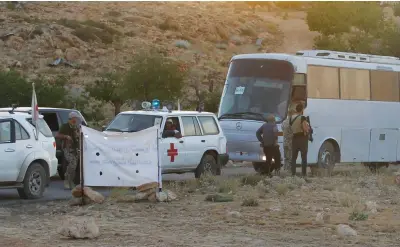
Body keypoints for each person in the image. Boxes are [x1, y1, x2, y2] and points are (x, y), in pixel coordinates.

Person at [56, 112, 81, 189]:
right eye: (75, 118)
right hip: (68, 148)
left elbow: (78, 137)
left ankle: (71, 181)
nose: (76, 120)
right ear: (72, 118)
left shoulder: (76, 127)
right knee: (72, 163)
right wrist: (66, 136)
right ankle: (67, 180)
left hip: (76, 148)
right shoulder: (65, 126)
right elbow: (57, 135)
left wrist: (78, 134)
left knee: (74, 165)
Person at [290, 103, 310, 177]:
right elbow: (305, 128)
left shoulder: (291, 118)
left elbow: (291, 128)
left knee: (293, 158)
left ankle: (293, 174)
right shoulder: (302, 118)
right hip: (302, 138)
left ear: (296, 109)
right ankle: (304, 174)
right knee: (303, 157)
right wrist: (308, 130)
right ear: (302, 109)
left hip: (294, 138)